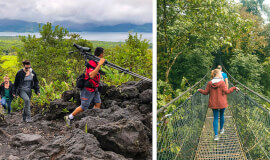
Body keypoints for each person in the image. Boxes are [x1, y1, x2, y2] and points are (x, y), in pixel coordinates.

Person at [64, 47, 105, 127]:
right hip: (88, 89)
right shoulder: (92, 63)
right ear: (101, 54)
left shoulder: (96, 62)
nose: (103, 55)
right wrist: (99, 65)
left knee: (98, 104)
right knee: (84, 107)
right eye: (103, 53)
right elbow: (92, 75)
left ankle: (94, 120)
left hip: (94, 88)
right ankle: (69, 117)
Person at [198, 69, 239, 140]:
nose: (221, 74)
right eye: (220, 73)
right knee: (222, 115)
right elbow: (227, 91)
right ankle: (222, 129)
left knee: (215, 118)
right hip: (222, 102)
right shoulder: (222, 83)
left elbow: (205, 92)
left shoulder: (209, 83)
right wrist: (234, 88)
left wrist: (199, 90)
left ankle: (216, 136)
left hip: (214, 103)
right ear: (217, 74)